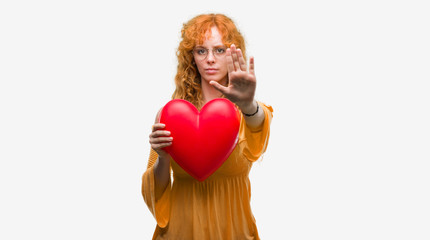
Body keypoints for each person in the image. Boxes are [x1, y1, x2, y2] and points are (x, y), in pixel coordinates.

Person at [142, 13, 273, 240]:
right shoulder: (170, 115)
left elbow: (257, 140)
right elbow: (155, 191)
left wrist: (248, 104)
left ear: (233, 53)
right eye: (201, 50)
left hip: (233, 231)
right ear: (192, 57)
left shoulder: (248, 111)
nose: (210, 59)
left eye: (219, 50)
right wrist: (163, 157)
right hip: (180, 231)